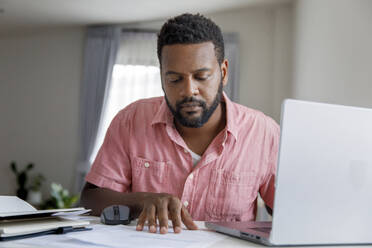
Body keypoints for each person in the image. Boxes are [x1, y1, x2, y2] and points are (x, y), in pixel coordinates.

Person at [80, 13, 279, 235]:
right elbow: (90, 199)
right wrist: (142, 201)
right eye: (174, 79)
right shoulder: (131, 120)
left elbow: (285, 209)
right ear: (162, 77)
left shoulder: (264, 132)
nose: (188, 91)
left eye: (201, 76)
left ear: (223, 73)